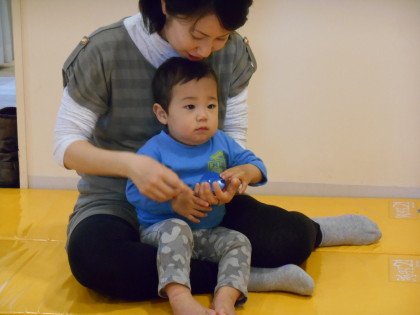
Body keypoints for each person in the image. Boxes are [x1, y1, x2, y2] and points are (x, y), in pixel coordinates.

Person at [54, 0, 382, 305]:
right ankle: (241, 277)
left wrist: (230, 182)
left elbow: (233, 138)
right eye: (197, 35)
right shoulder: (103, 50)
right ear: (166, 5)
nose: (206, 50)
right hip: (118, 199)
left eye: (221, 38)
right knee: (95, 260)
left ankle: (315, 231)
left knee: (288, 241)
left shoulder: (234, 51)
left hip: (206, 200)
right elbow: (66, 145)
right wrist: (132, 166)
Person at [126, 57, 268, 315]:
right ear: (163, 114)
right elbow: (133, 191)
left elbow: (256, 165)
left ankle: (225, 298)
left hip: (205, 232)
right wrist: (173, 202)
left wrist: (244, 173)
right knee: (177, 227)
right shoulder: (155, 150)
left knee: (239, 242)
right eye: (190, 106)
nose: (203, 115)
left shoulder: (221, 142)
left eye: (211, 105)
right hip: (161, 232)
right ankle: (180, 297)